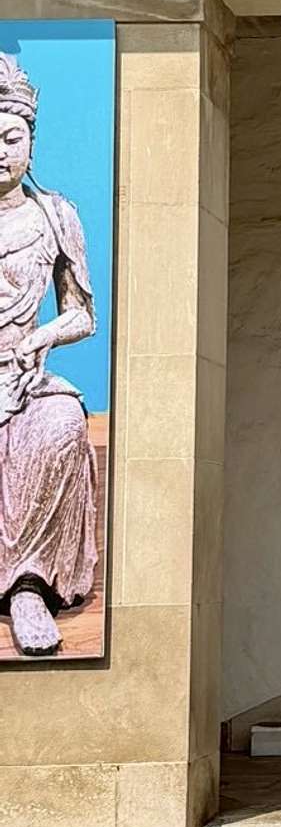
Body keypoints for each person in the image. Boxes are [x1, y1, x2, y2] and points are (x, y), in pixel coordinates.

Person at [0, 52, 100, 658]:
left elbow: (83, 313)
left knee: (60, 425)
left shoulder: (54, 216)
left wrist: (38, 340)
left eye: (10, 137)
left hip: (23, 371)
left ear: (30, 141)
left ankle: (29, 585)